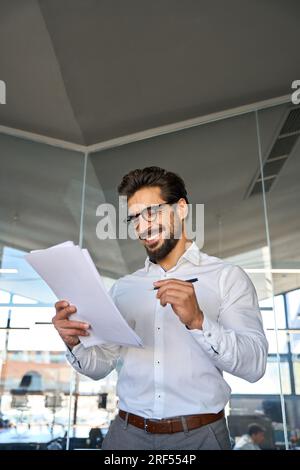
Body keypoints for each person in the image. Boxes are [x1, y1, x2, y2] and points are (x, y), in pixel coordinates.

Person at [52, 166, 268, 450]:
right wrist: (75, 343)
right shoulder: (123, 288)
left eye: (151, 212)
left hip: (200, 436)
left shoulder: (226, 277)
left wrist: (199, 321)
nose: (142, 227)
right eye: (134, 218)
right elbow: (101, 364)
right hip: (126, 435)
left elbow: (255, 365)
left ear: (181, 209)